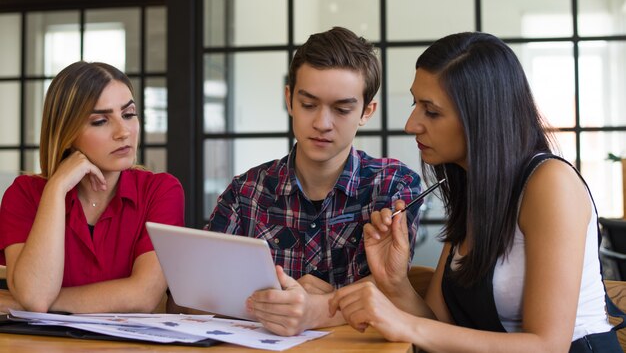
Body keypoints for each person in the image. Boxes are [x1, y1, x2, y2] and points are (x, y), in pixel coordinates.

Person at [330, 32, 621, 352]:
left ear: (481, 117)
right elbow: (441, 329)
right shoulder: (476, 189)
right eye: (416, 103)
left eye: (432, 111)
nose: (411, 124)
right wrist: (394, 282)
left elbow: (548, 346)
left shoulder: (550, 184)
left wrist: (405, 324)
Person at [203, 26, 423, 336]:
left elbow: (391, 286)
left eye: (342, 109)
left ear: (367, 111)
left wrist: (320, 307)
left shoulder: (393, 185)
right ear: (289, 99)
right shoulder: (246, 192)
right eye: (308, 105)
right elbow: (200, 290)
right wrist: (331, 303)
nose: (322, 123)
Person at [0, 61, 184, 314]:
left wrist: (21, 304)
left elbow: (142, 297)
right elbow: (35, 296)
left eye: (129, 114)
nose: (123, 132)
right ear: (66, 133)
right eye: (100, 121)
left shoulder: (161, 191)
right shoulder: (24, 194)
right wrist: (56, 188)